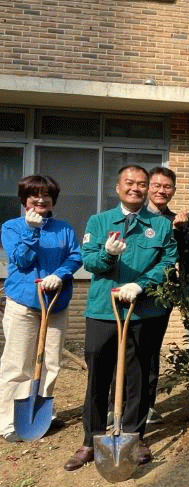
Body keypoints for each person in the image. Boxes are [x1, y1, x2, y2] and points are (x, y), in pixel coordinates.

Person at [64, 165, 177, 471]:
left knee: (137, 378)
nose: (135, 188)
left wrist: (141, 284)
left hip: (142, 312)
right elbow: (89, 260)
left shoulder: (160, 225)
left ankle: (133, 436)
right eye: (129, 183)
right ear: (118, 188)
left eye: (141, 184)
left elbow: (168, 262)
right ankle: (91, 440)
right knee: (98, 376)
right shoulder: (99, 221)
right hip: (103, 310)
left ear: (147, 189)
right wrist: (108, 255)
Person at [0, 176, 82, 442]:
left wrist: (60, 274)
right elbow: (22, 260)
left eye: (46, 195)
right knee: (18, 363)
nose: (40, 200)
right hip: (23, 302)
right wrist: (32, 231)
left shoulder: (64, 228)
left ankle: (42, 413)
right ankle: (8, 421)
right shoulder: (12, 227)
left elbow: (75, 256)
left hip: (56, 303)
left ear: (53, 200)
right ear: (24, 200)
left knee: (51, 362)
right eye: (34, 195)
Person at [143, 166, 189, 424]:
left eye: (167, 187)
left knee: (151, 351)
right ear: (148, 187)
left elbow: (184, 255)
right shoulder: (135, 215)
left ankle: (147, 406)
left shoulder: (175, 220)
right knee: (126, 349)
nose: (161, 191)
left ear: (173, 190)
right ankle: (118, 403)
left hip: (161, 294)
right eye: (157, 185)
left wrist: (180, 230)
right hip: (132, 292)